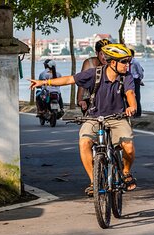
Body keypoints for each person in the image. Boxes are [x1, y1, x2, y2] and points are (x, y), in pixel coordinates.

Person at [30, 44, 137, 196]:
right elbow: (69, 79)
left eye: (128, 61)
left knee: (129, 147)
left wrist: (131, 107)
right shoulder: (95, 74)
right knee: (84, 142)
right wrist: (43, 83)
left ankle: (126, 172)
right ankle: (93, 181)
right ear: (113, 63)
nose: (127, 65)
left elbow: (130, 93)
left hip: (117, 118)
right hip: (94, 117)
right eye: (124, 62)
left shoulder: (127, 77)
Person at [77, 39, 111, 114]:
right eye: (102, 54)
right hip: (90, 99)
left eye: (108, 54)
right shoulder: (89, 63)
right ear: (97, 53)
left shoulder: (113, 64)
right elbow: (81, 83)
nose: (105, 57)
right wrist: (80, 100)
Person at [129, 49, 144, 117]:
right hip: (129, 80)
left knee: (137, 96)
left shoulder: (135, 62)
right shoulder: (127, 62)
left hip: (135, 79)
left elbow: (140, 71)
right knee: (130, 95)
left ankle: (138, 113)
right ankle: (131, 112)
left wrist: (140, 79)